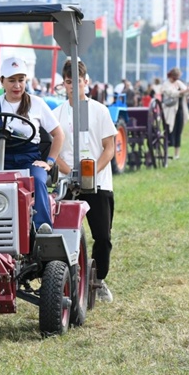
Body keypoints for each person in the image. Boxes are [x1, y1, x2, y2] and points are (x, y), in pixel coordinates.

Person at [0, 56, 64, 233]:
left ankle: (42, 228)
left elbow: (59, 134)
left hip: (28, 160)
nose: (17, 85)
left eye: (21, 80)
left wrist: (49, 162)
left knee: (38, 180)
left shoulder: (37, 103)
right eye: (12, 80)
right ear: (2, 81)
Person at [55, 58, 116, 303]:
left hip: (99, 183)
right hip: (66, 183)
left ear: (86, 81)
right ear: (64, 84)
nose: (73, 86)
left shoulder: (99, 111)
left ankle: (98, 280)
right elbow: (53, 150)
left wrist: (91, 174)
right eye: (69, 82)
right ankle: (64, 281)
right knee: (62, 235)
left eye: (78, 81)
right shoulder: (56, 113)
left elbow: (109, 148)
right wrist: (69, 173)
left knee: (102, 236)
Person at [160, 67, 189, 160]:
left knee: (178, 132)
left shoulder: (179, 83)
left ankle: (177, 154)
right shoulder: (166, 84)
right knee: (168, 131)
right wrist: (182, 92)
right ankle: (166, 152)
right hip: (170, 111)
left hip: (180, 110)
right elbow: (171, 93)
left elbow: (188, 91)